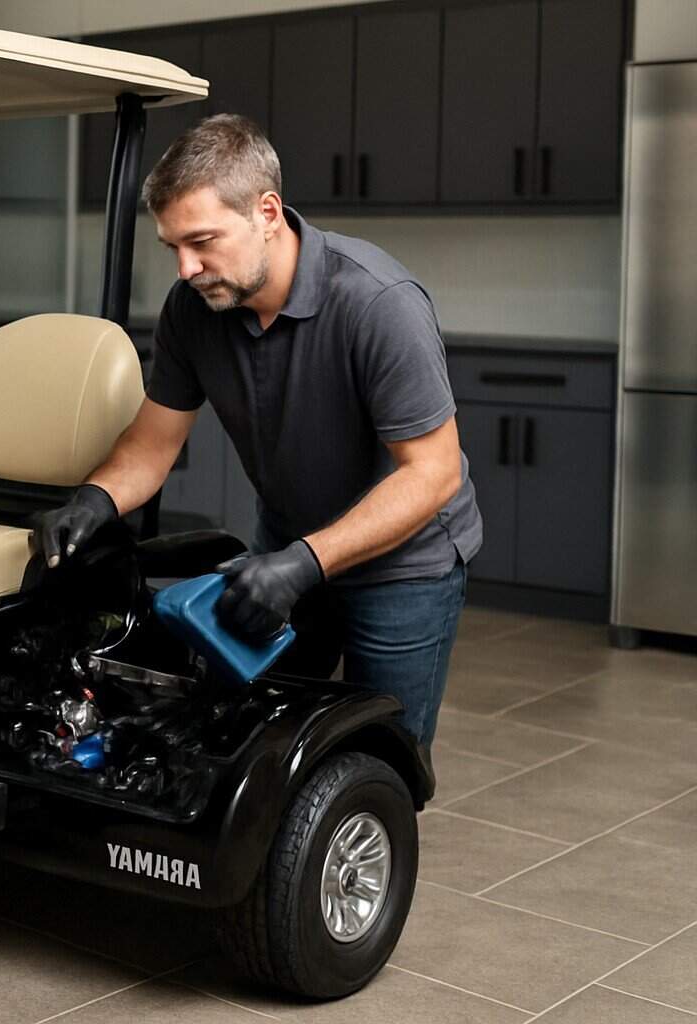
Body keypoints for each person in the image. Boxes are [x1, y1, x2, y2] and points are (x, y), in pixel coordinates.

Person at [37, 114, 481, 747]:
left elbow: (434, 473)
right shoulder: (194, 309)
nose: (186, 268)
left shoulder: (379, 304)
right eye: (173, 247)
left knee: (378, 753)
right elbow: (152, 444)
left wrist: (305, 563)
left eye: (203, 241)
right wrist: (95, 499)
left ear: (267, 213)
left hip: (402, 565)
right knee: (253, 734)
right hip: (288, 547)